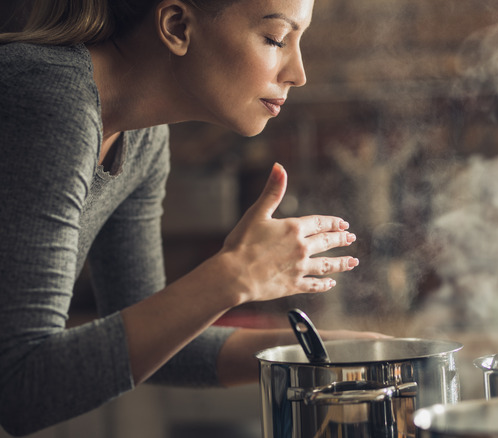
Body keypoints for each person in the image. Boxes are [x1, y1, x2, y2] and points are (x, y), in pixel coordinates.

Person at [0, 0, 379, 435]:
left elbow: (160, 339)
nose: (298, 73)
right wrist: (234, 275)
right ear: (177, 26)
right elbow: (21, 389)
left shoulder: (142, 138)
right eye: (276, 38)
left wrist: (348, 353)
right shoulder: (46, 97)